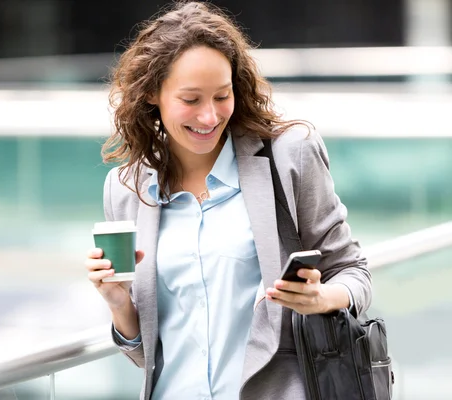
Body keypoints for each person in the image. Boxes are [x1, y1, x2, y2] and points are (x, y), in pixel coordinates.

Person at [85, 2, 372, 399]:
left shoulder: (290, 156)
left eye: (222, 95)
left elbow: (354, 272)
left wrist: (321, 299)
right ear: (152, 93)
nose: (209, 117)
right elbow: (145, 355)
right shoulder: (126, 188)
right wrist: (119, 304)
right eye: (190, 100)